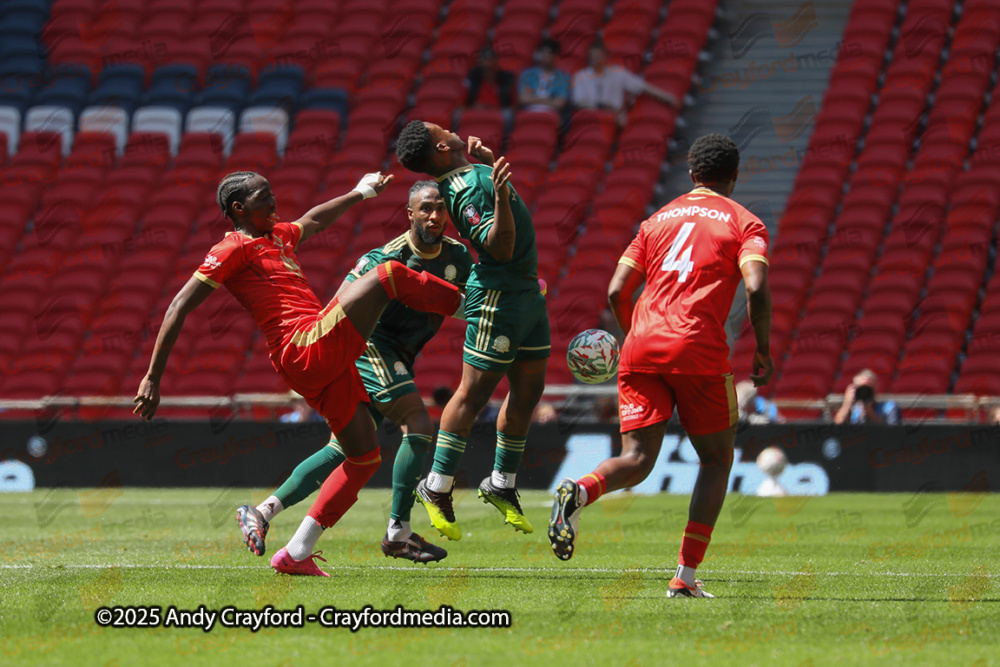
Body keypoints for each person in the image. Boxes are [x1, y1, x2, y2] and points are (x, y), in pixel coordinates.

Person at [133, 170, 462, 576]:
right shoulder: (232, 247)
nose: (274, 202)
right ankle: (476, 310)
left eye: (272, 194)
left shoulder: (277, 235)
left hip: (318, 357)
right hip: (302, 344)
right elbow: (178, 305)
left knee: (363, 458)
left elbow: (314, 220)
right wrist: (153, 376)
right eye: (264, 198)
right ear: (239, 208)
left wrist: (360, 192)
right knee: (387, 275)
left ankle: (294, 550)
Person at [547, 134, 774, 599]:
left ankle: (580, 491)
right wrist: (764, 349)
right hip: (697, 350)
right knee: (716, 459)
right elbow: (755, 287)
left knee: (636, 459)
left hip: (640, 347)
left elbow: (616, 290)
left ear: (691, 174)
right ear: (734, 176)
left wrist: (635, 336)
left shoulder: (655, 220)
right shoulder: (745, 223)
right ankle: (685, 576)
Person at [235, 181, 473, 564]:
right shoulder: (384, 257)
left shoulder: (458, 256)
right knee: (417, 423)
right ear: (410, 214)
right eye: (426, 208)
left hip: (402, 356)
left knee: (344, 452)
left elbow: (476, 300)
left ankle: (266, 517)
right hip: (371, 348)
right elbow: (339, 306)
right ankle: (398, 531)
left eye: (440, 208)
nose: (434, 216)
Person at [395, 120, 550, 540]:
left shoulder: (474, 173)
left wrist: (489, 166)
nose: (449, 128)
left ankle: (501, 483)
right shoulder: (465, 189)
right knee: (473, 394)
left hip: (525, 293)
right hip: (499, 297)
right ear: (441, 147)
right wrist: (498, 192)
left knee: (529, 391)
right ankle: (436, 485)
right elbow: (499, 247)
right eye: (440, 128)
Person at [572, 39, 680, 120]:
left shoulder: (618, 73)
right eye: (594, 57)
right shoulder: (581, 76)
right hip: (591, 117)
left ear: (605, 57)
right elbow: (579, 102)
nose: (596, 60)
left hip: (614, 116)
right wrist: (601, 108)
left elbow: (642, 86)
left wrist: (667, 97)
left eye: (599, 56)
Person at [518, 39, 571, 114]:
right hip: (529, 112)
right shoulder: (527, 74)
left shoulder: (563, 77)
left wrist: (533, 99)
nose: (546, 56)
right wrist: (550, 101)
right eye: (543, 52)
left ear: (555, 56)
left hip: (552, 114)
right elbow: (523, 99)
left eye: (549, 53)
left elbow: (560, 103)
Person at [833, 369, 899, 425]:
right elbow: (838, 425)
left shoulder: (889, 407)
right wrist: (846, 404)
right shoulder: (855, 408)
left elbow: (890, 432)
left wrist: (869, 412)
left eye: (868, 389)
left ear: (875, 390)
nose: (864, 393)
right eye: (861, 389)